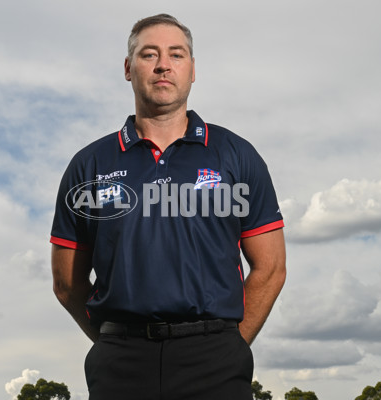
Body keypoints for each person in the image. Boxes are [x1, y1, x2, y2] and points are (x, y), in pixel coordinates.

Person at [50, 13, 286, 400]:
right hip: (120, 363)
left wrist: (231, 344)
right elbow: (66, 283)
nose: (163, 64)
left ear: (192, 70)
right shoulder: (89, 164)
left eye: (176, 55)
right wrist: (114, 339)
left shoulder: (236, 156)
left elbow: (271, 267)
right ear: (128, 69)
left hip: (215, 360)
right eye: (149, 54)